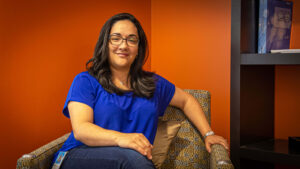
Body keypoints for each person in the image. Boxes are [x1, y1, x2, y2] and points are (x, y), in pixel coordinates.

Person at [52, 13, 229, 169]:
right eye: (116, 38)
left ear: (138, 48)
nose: (123, 45)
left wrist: (209, 134)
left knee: (133, 158)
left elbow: (187, 101)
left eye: (131, 39)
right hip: (78, 155)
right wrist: (123, 139)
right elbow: (82, 130)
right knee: (131, 158)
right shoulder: (85, 81)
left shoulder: (153, 84)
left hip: (133, 161)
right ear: (105, 43)